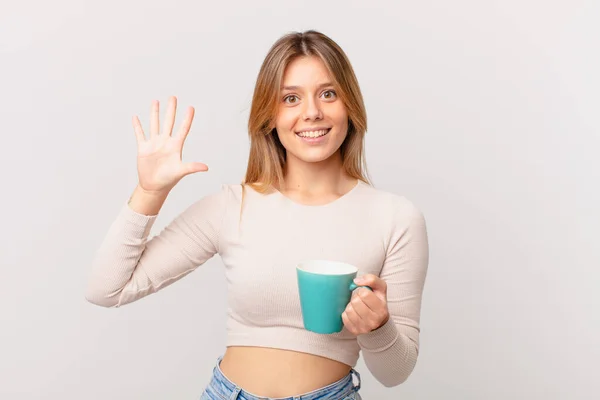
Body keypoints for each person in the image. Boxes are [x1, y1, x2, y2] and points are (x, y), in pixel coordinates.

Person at [86, 30, 429, 400]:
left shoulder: (395, 218)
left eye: (328, 94)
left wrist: (377, 326)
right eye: (291, 98)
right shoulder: (232, 207)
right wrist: (150, 193)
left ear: (350, 106)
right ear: (270, 115)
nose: (312, 112)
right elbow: (107, 289)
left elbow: (396, 372)